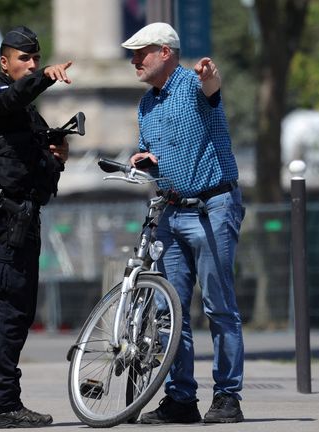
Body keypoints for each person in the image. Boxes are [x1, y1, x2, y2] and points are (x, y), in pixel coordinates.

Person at [120, 22, 245, 424]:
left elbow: (213, 90)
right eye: (133, 53)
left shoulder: (193, 85)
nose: (134, 60)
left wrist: (211, 76)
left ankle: (227, 396)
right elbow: (150, 150)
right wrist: (146, 159)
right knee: (168, 312)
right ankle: (181, 398)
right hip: (172, 213)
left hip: (213, 207)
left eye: (142, 52)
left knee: (218, 306)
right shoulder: (146, 105)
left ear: (166, 53)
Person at [0, 25, 73, 429]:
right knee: (9, 314)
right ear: (4, 62)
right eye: (23, 59)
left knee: (17, 314)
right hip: (8, 223)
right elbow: (14, 95)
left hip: (25, 220)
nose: (30, 65)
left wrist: (57, 156)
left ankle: (2, 401)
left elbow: (37, 171)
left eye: (35, 59)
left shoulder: (23, 113)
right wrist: (44, 76)